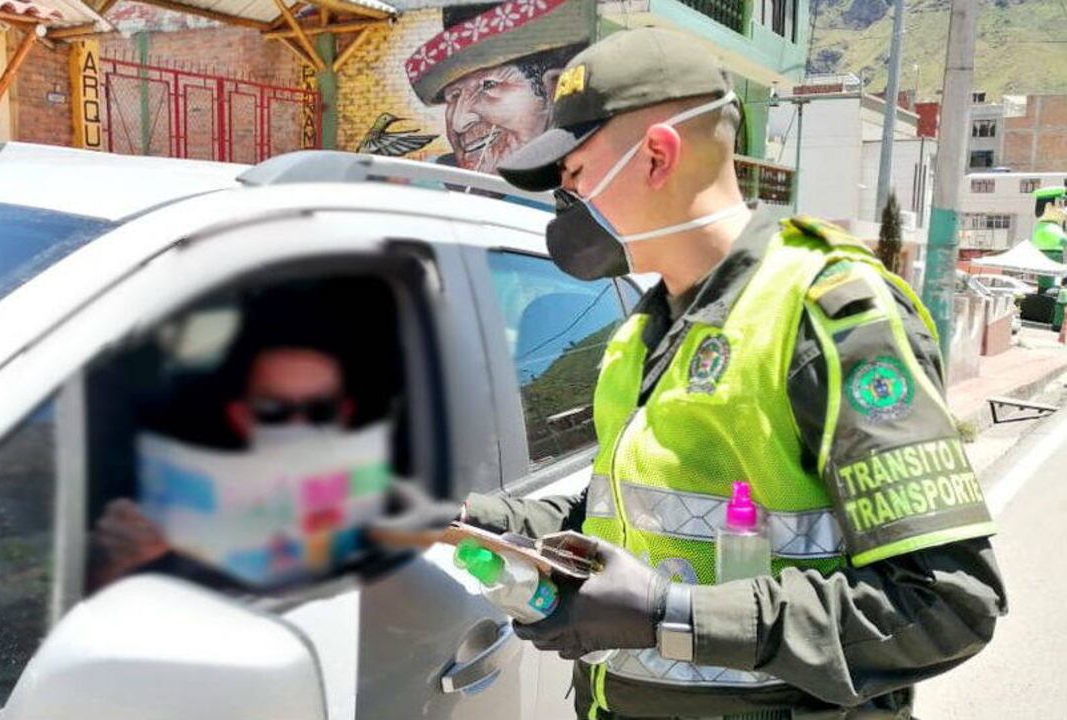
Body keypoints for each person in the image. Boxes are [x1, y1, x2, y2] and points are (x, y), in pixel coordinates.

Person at [440, 26, 1003, 720]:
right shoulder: (643, 331)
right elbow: (622, 517)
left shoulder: (827, 315)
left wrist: (670, 616)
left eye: (576, 174)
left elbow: (945, 605)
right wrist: (469, 518)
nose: (566, 199)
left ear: (657, 156)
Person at [90, 344, 357, 588]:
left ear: (343, 414)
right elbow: (93, 604)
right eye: (273, 409)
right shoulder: (180, 504)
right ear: (241, 416)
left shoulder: (368, 516)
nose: (298, 428)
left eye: (320, 410)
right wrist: (113, 560)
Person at [402, 0, 591, 172]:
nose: (459, 123)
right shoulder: (422, 181)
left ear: (557, 89)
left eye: (489, 85)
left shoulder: (584, 182)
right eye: (455, 95)